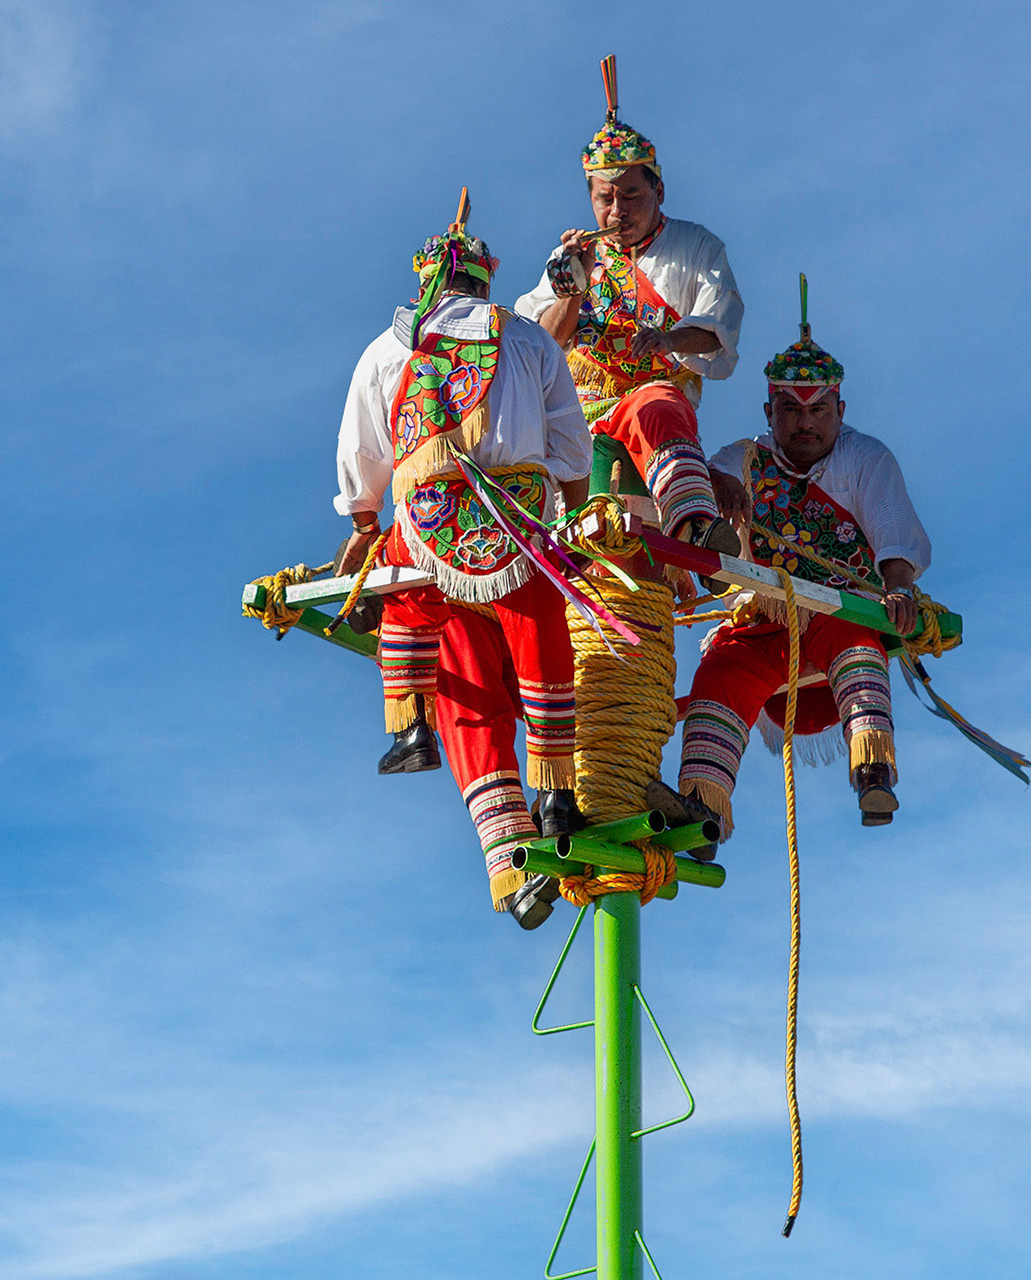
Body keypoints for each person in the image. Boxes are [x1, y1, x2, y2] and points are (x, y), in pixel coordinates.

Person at [333, 202, 591, 928]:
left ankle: (409, 724)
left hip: (428, 529)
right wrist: (577, 516)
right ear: (486, 283)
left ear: (424, 284)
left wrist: (363, 522)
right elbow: (570, 444)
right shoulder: (531, 340)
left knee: (408, 600)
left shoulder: (390, 347)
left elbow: (364, 454)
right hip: (519, 526)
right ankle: (557, 792)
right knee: (541, 639)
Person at [679, 292, 931, 833]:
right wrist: (715, 483)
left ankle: (873, 771)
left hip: (842, 614)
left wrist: (899, 589)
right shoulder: (745, 457)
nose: (805, 424)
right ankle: (702, 810)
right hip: (765, 620)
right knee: (718, 670)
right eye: (791, 410)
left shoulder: (866, 458)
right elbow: (704, 479)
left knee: (856, 638)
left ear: (840, 411)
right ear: (770, 413)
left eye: (818, 410)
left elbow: (894, 532)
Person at [515, 54, 743, 555]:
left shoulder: (696, 247)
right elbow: (540, 344)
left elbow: (719, 325)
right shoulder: (572, 255)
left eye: (633, 196)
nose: (617, 212)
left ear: (659, 190)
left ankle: (695, 525)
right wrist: (572, 285)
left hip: (652, 400)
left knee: (656, 402)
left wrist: (668, 339)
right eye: (605, 199)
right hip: (575, 411)